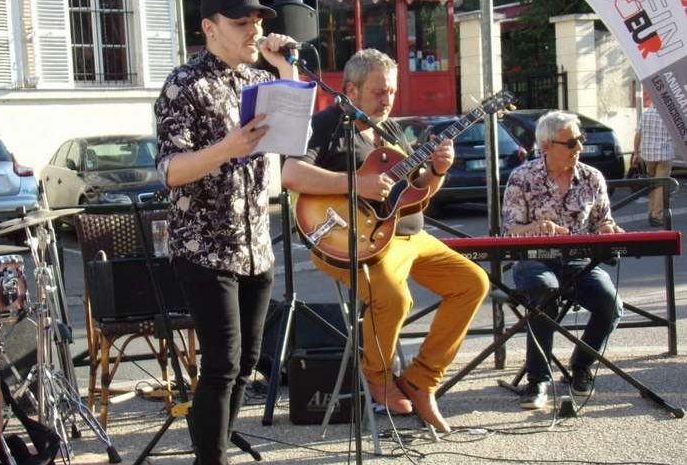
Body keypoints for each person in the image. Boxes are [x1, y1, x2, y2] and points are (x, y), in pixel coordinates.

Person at [282, 49, 489, 432]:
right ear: (350, 90)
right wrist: (357, 184)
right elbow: (291, 174)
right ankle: (377, 376)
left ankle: (421, 379)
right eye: (378, 92)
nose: (387, 100)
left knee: (473, 282)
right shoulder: (326, 124)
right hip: (350, 239)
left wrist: (438, 171)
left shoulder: (390, 130)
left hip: (409, 235)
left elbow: (415, 191)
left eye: (392, 91)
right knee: (394, 296)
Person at [154, 1, 298, 464]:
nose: (254, 30)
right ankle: (211, 459)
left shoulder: (259, 81)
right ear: (210, 29)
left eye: (257, 22)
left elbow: (294, 136)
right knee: (222, 364)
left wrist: (284, 68)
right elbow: (170, 170)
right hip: (204, 247)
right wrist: (227, 148)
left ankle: (209, 451)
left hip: (255, 245)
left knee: (245, 365)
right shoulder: (184, 84)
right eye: (242, 23)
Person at [502, 111, 624, 410]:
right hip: (534, 259)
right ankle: (538, 380)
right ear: (546, 146)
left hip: (578, 262)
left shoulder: (592, 177)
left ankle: (581, 365)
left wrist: (610, 231)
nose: (578, 148)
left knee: (610, 303)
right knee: (545, 291)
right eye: (570, 143)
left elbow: (603, 223)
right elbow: (510, 233)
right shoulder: (523, 178)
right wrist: (536, 228)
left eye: (580, 140)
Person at [632, 100, 674, 227]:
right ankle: (656, 215)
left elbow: (638, 134)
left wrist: (636, 152)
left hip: (648, 155)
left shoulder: (646, 114)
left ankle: (651, 212)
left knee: (652, 184)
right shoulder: (668, 115)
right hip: (664, 155)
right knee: (661, 185)